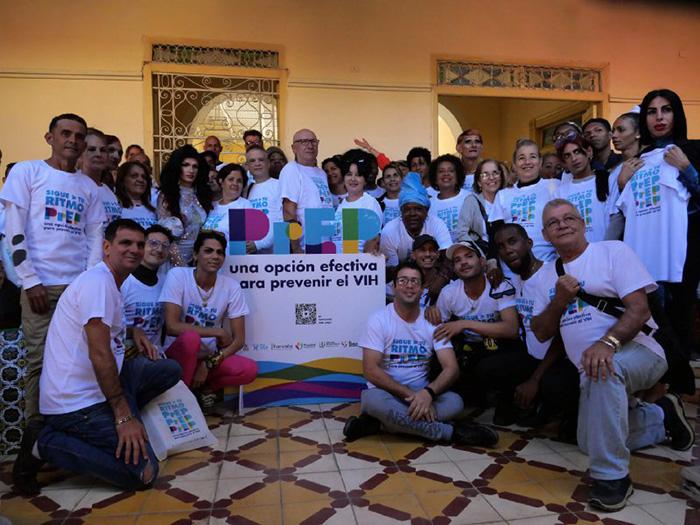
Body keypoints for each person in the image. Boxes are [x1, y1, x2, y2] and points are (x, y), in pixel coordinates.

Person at [530, 199, 694, 511]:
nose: (562, 225)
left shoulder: (612, 252)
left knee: (604, 368)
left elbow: (639, 310)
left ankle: (612, 478)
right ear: (545, 234)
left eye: (568, 218)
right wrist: (559, 301)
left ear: (582, 224)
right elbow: (540, 331)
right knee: (589, 441)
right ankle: (661, 416)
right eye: (553, 223)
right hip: (591, 369)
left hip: (640, 351)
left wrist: (608, 343)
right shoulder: (543, 277)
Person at [13, 219, 182, 496]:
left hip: (99, 385)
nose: (134, 249)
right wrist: (123, 415)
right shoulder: (98, 283)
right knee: (143, 473)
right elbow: (100, 353)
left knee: (169, 369)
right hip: (75, 404)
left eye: (139, 244)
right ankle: (43, 443)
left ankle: (122, 414)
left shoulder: (110, 282)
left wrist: (134, 331)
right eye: (125, 243)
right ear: (106, 247)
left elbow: (106, 334)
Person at [0, 113, 105, 428]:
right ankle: (36, 437)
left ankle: (70, 430)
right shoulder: (27, 172)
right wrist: (30, 281)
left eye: (79, 135)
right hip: (40, 287)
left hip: (76, 289)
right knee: (40, 362)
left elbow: (94, 238)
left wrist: (87, 284)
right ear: (50, 138)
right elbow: (14, 230)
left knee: (77, 361)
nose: (72, 140)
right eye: (65, 133)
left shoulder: (88, 187)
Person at [343, 261, 498, 447]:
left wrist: (428, 393)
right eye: (403, 280)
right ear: (394, 287)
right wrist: (410, 396)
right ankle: (450, 433)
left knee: (455, 402)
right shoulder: (378, 320)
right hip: (388, 393)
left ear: (422, 288)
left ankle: (382, 423)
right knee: (372, 401)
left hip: (423, 393)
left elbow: (451, 368)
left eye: (415, 281)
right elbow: (370, 371)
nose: (409, 285)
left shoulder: (432, 322)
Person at [485, 223, 579, 436]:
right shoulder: (516, 280)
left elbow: (563, 336)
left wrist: (535, 379)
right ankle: (529, 404)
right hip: (532, 356)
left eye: (512, 242)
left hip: (558, 359)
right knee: (490, 366)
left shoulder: (551, 275)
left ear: (528, 243)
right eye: (501, 247)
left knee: (554, 386)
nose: (507, 250)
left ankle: (558, 410)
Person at [634, 88, 700, 368]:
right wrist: (624, 182)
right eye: (652, 112)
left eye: (666, 110)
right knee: (652, 326)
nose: (659, 118)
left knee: (680, 318)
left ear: (677, 114)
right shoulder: (640, 159)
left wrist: (688, 169)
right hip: (646, 254)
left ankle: (681, 384)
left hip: (685, 250)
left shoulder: (693, 150)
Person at [160, 230, 257, 408]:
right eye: (208, 251)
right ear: (195, 255)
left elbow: (239, 340)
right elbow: (172, 326)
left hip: (208, 356)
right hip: (178, 355)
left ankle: (203, 388)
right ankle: (183, 400)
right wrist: (217, 332)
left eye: (220, 252)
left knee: (249, 369)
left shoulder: (231, 286)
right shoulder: (178, 276)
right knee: (191, 339)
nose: (215, 256)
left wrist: (209, 363)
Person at [427, 240, 520, 406]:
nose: (463, 262)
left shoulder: (498, 284)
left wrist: (464, 324)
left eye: (469, 256)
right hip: (469, 347)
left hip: (500, 346)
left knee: (490, 366)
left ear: (482, 261)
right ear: (454, 269)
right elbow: (438, 327)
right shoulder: (449, 292)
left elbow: (511, 329)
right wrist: (431, 310)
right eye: (457, 260)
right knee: (437, 362)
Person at [490, 139, 560, 261]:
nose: (527, 162)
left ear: (540, 162)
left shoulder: (554, 186)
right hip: (511, 266)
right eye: (521, 158)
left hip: (547, 262)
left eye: (532, 157)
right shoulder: (503, 194)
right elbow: (495, 234)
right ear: (514, 164)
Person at [380, 172, 452, 283]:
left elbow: (447, 258)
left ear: (426, 210)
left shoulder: (437, 224)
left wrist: (438, 283)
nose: (412, 213)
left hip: (433, 278)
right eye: (407, 209)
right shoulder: (389, 231)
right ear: (401, 211)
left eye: (418, 209)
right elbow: (392, 270)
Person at [121, 224, 174, 359]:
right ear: (141, 246)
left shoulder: (167, 282)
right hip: (127, 354)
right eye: (154, 243)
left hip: (156, 355)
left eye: (165, 246)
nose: (159, 249)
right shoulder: (124, 282)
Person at [157, 144, 213, 266]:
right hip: (171, 260)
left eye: (195, 166)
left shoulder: (202, 195)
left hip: (197, 260)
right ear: (177, 167)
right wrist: (181, 266)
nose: (191, 170)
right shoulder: (167, 195)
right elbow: (164, 235)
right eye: (186, 165)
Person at [279, 129, 333, 253]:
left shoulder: (321, 173)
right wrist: (296, 248)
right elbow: (288, 212)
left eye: (313, 141)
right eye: (304, 142)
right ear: (293, 148)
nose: (310, 146)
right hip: (306, 246)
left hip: (325, 243)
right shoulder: (291, 170)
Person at [555, 135, 611, 242]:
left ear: (589, 152)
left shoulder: (607, 180)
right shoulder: (559, 193)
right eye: (567, 156)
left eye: (577, 152)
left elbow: (616, 218)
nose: (574, 159)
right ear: (564, 163)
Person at [330, 153, 382, 254]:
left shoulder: (370, 203)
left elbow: (373, 240)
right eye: (349, 174)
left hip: (357, 262)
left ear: (365, 180)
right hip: (337, 262)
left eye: (358, 175)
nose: (353, 179)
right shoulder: (342, 204)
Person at [202, 163, 253, 266]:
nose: (235, 183)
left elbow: (244, 244)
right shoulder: (212, 206)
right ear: (221, 181)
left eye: (239, 181)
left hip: (231, 264)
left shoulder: (244, 205)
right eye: (231, 179)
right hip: (207, 264)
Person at [455, 158, 506, 246]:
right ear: (479, 182)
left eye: (495, 173)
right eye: (485, 175)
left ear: (501, 177)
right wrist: (479, 251)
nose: (491, 178)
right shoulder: (472, 201)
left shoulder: (508, 197)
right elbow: (461, 233)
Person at [245, 145, 283, 254]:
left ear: (268, 163)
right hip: (253, 254)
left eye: (261, 160)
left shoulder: (279, 185)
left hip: (277, 253)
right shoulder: (247, 190)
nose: (257, 164)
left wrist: (259, 244)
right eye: (252, 161)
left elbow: (282, 220)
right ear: (247, 166)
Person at [82, 128, 122, 225]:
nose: (98, 154)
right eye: (92, 149)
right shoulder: (75, 186)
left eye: (103, 150)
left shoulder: (108, 190)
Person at [427, 154, 468, 241]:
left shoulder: (469, 198)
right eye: (441, 171)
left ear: (457, 176)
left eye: (451, 171)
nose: (446, 174)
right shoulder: (429, 204)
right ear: (435, 178)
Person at [115, 161, 157, 228]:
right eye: (134, 176)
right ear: (123, 180)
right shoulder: (116, 206)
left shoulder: (154, 208)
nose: (141, 180)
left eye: (144, 177)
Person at [410, 235, 442, 307]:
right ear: (413, 255)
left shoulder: (447, 284)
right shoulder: (402, 283)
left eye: (432, 250)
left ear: (438, 254)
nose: (427, 254)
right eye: (422, 250)